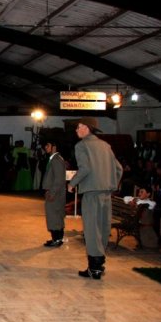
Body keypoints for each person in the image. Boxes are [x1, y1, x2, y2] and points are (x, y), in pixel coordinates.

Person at [68, 117, 123, 280]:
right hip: (106, 194)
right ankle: (99, 264)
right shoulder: (105, 146)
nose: (76, 130)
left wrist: (72, 183)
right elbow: (119, 169)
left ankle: (95, 268)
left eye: (79, 127)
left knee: (92, 230)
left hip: (92, 193)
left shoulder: (81, 145)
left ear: (86, 128)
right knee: (103, 228)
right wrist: (111, 184)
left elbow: (85, 168)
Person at [41, 141, 66, 247]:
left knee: (54, 216)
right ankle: (56, 238)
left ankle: (57, 239)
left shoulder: (56, 160)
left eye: (48, 145)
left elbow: (59, 179)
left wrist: (52, 193)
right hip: (53, 192)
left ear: (54, 147)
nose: (45, 147)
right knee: (54, 216)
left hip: (55, 193)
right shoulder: (54, 159)